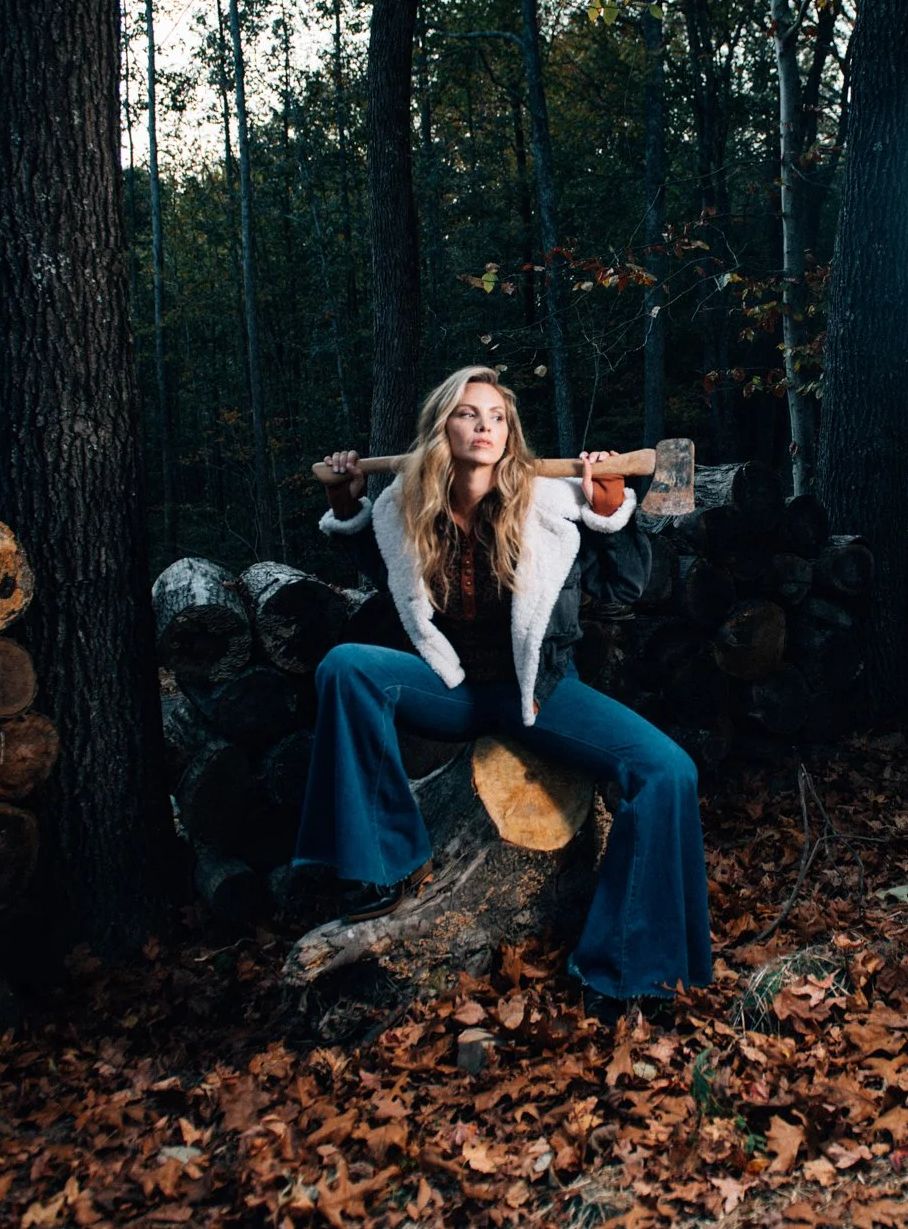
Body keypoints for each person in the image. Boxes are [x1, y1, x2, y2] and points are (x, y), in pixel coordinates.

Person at [294, 365, 711, 1003]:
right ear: (442, 427)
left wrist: (608, 511)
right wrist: (346, 503)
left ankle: (627, 971)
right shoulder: (404, 506)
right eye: (469, 414)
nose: (485, 426)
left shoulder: (549, 503)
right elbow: (382, 573)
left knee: (669, 771)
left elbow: (623, 588)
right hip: (454, 688)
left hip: (540, 694)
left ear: (510, 433)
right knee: (347, 666)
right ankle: (384, 868)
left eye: (497, 417)